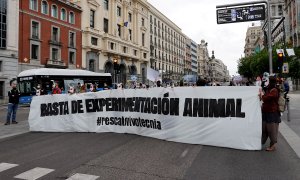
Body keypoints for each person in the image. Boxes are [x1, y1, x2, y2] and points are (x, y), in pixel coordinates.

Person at [260, 76, 281, 151]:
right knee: (264, 128)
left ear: (271, 82)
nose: (266, 82)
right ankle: (261, 142)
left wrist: (262, 94)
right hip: (266, 112)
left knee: (272, 130)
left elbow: (266, 98)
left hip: (272, 112)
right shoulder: (269, 89)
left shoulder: (274, 90)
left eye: (267, 81)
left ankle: (272, 146)